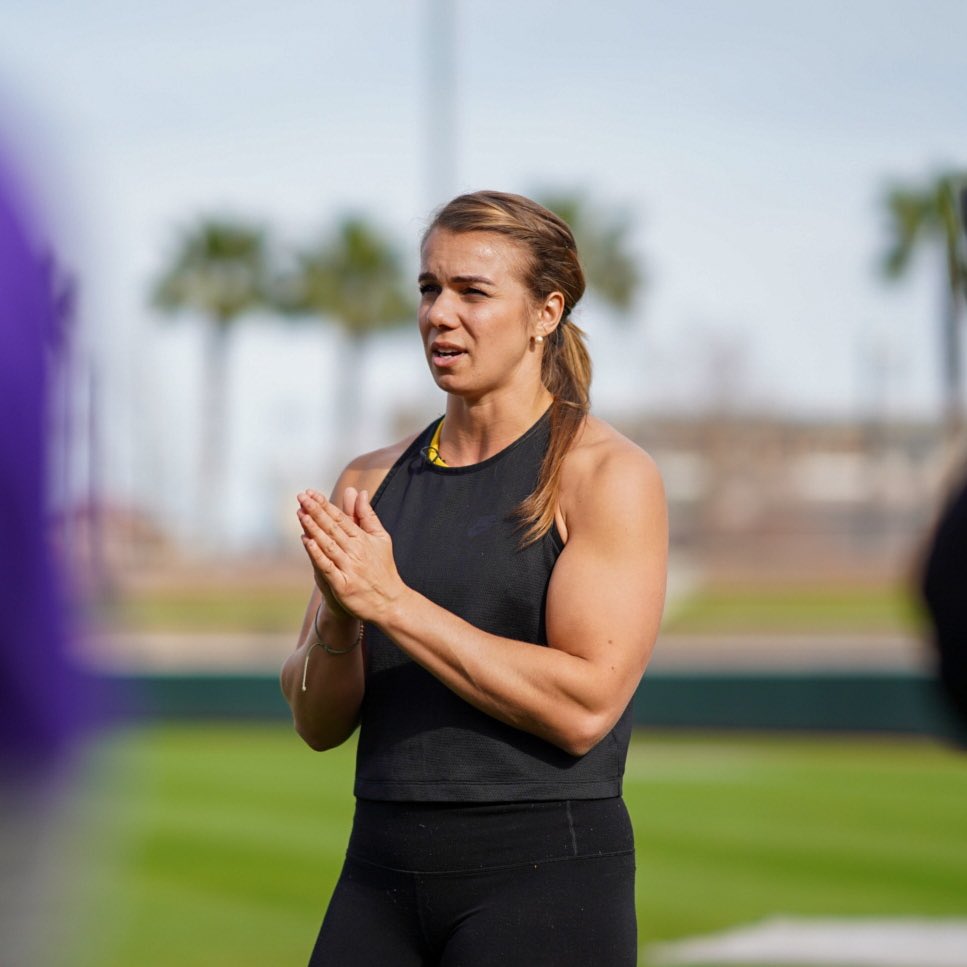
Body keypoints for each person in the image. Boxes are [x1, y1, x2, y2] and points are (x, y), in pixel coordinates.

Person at [281, 190, 667, 966]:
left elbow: (584, 704)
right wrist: (341, 616)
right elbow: (317, 725)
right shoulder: (370, 477)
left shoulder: (604, 474)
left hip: (544, 878)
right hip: (378, 870)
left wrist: (391, 601)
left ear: (544, 312)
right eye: (429, 287)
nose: (439, 313)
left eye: (472, 291)